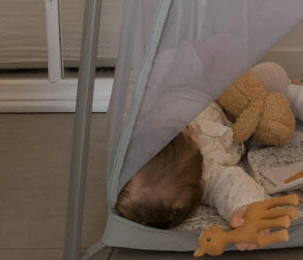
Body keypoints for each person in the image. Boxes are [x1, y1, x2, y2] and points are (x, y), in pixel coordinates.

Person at [115, 103, 269, 249]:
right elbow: (232, 183)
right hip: (224, 104)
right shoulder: (206, 172)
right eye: (186, 135)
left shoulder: (143, 125)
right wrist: (246, 209)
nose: (186, 127)